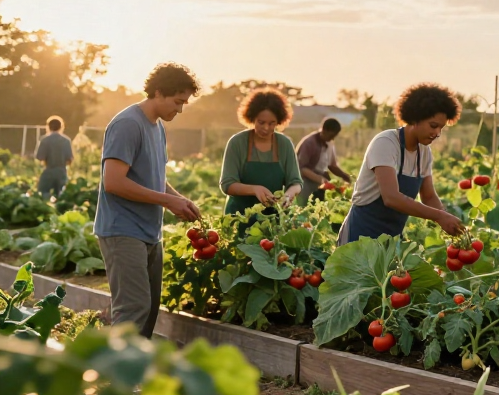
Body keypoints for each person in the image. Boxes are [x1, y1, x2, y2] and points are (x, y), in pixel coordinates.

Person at [94, 63, 201, 338]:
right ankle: (115, 379)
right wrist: (167, 201)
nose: (180, 109)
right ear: (157, 92)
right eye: (177, 102)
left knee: (150, 309)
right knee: (133, 309)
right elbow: (114, 182)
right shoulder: (128, 124)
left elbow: (153, 176)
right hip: (122, 230)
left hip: (149, 232)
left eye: (184, 103)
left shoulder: (157, 127)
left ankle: (131, 375)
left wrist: (180, 199)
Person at [338, 83, 464, 244]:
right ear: (414, 118)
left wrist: (450, 221)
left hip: (391, 240)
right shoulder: (386, 143)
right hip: (361, 234)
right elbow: (391, 198)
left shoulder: (424, 153)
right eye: (433, 126)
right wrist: (439, 216)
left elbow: (429, 196)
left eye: (441, 128)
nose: (437, 133)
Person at [220, 88, 303, 220]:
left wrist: (289, 194)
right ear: (252, 118)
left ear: (279, 121)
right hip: (239, 218)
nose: (266, 128)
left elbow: (296, 182)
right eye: (261, 122)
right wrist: (254, 189)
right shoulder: (237, 143)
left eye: (272, 123)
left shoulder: (284, 144)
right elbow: (227, 184)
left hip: (273, 219)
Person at [296, 118, 352, 203]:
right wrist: (321, 179)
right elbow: (302, 168)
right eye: (331, 135)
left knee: (319, 208)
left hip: (320, 182)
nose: (332, 138)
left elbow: (332, 165)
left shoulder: (329, 143)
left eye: (334, 136)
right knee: (304, 207)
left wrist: (344, 176)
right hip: (306, 181)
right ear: (324, 130)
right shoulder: (309, 143)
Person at [35, 115, 74, 200]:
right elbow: (70, 159)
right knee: (61, 196)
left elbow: (40, 157)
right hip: (61, 171)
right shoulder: (66, 140)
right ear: (61, 127)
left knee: (43, 193)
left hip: (48, 170)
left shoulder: (44, 140)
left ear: (48, 127)